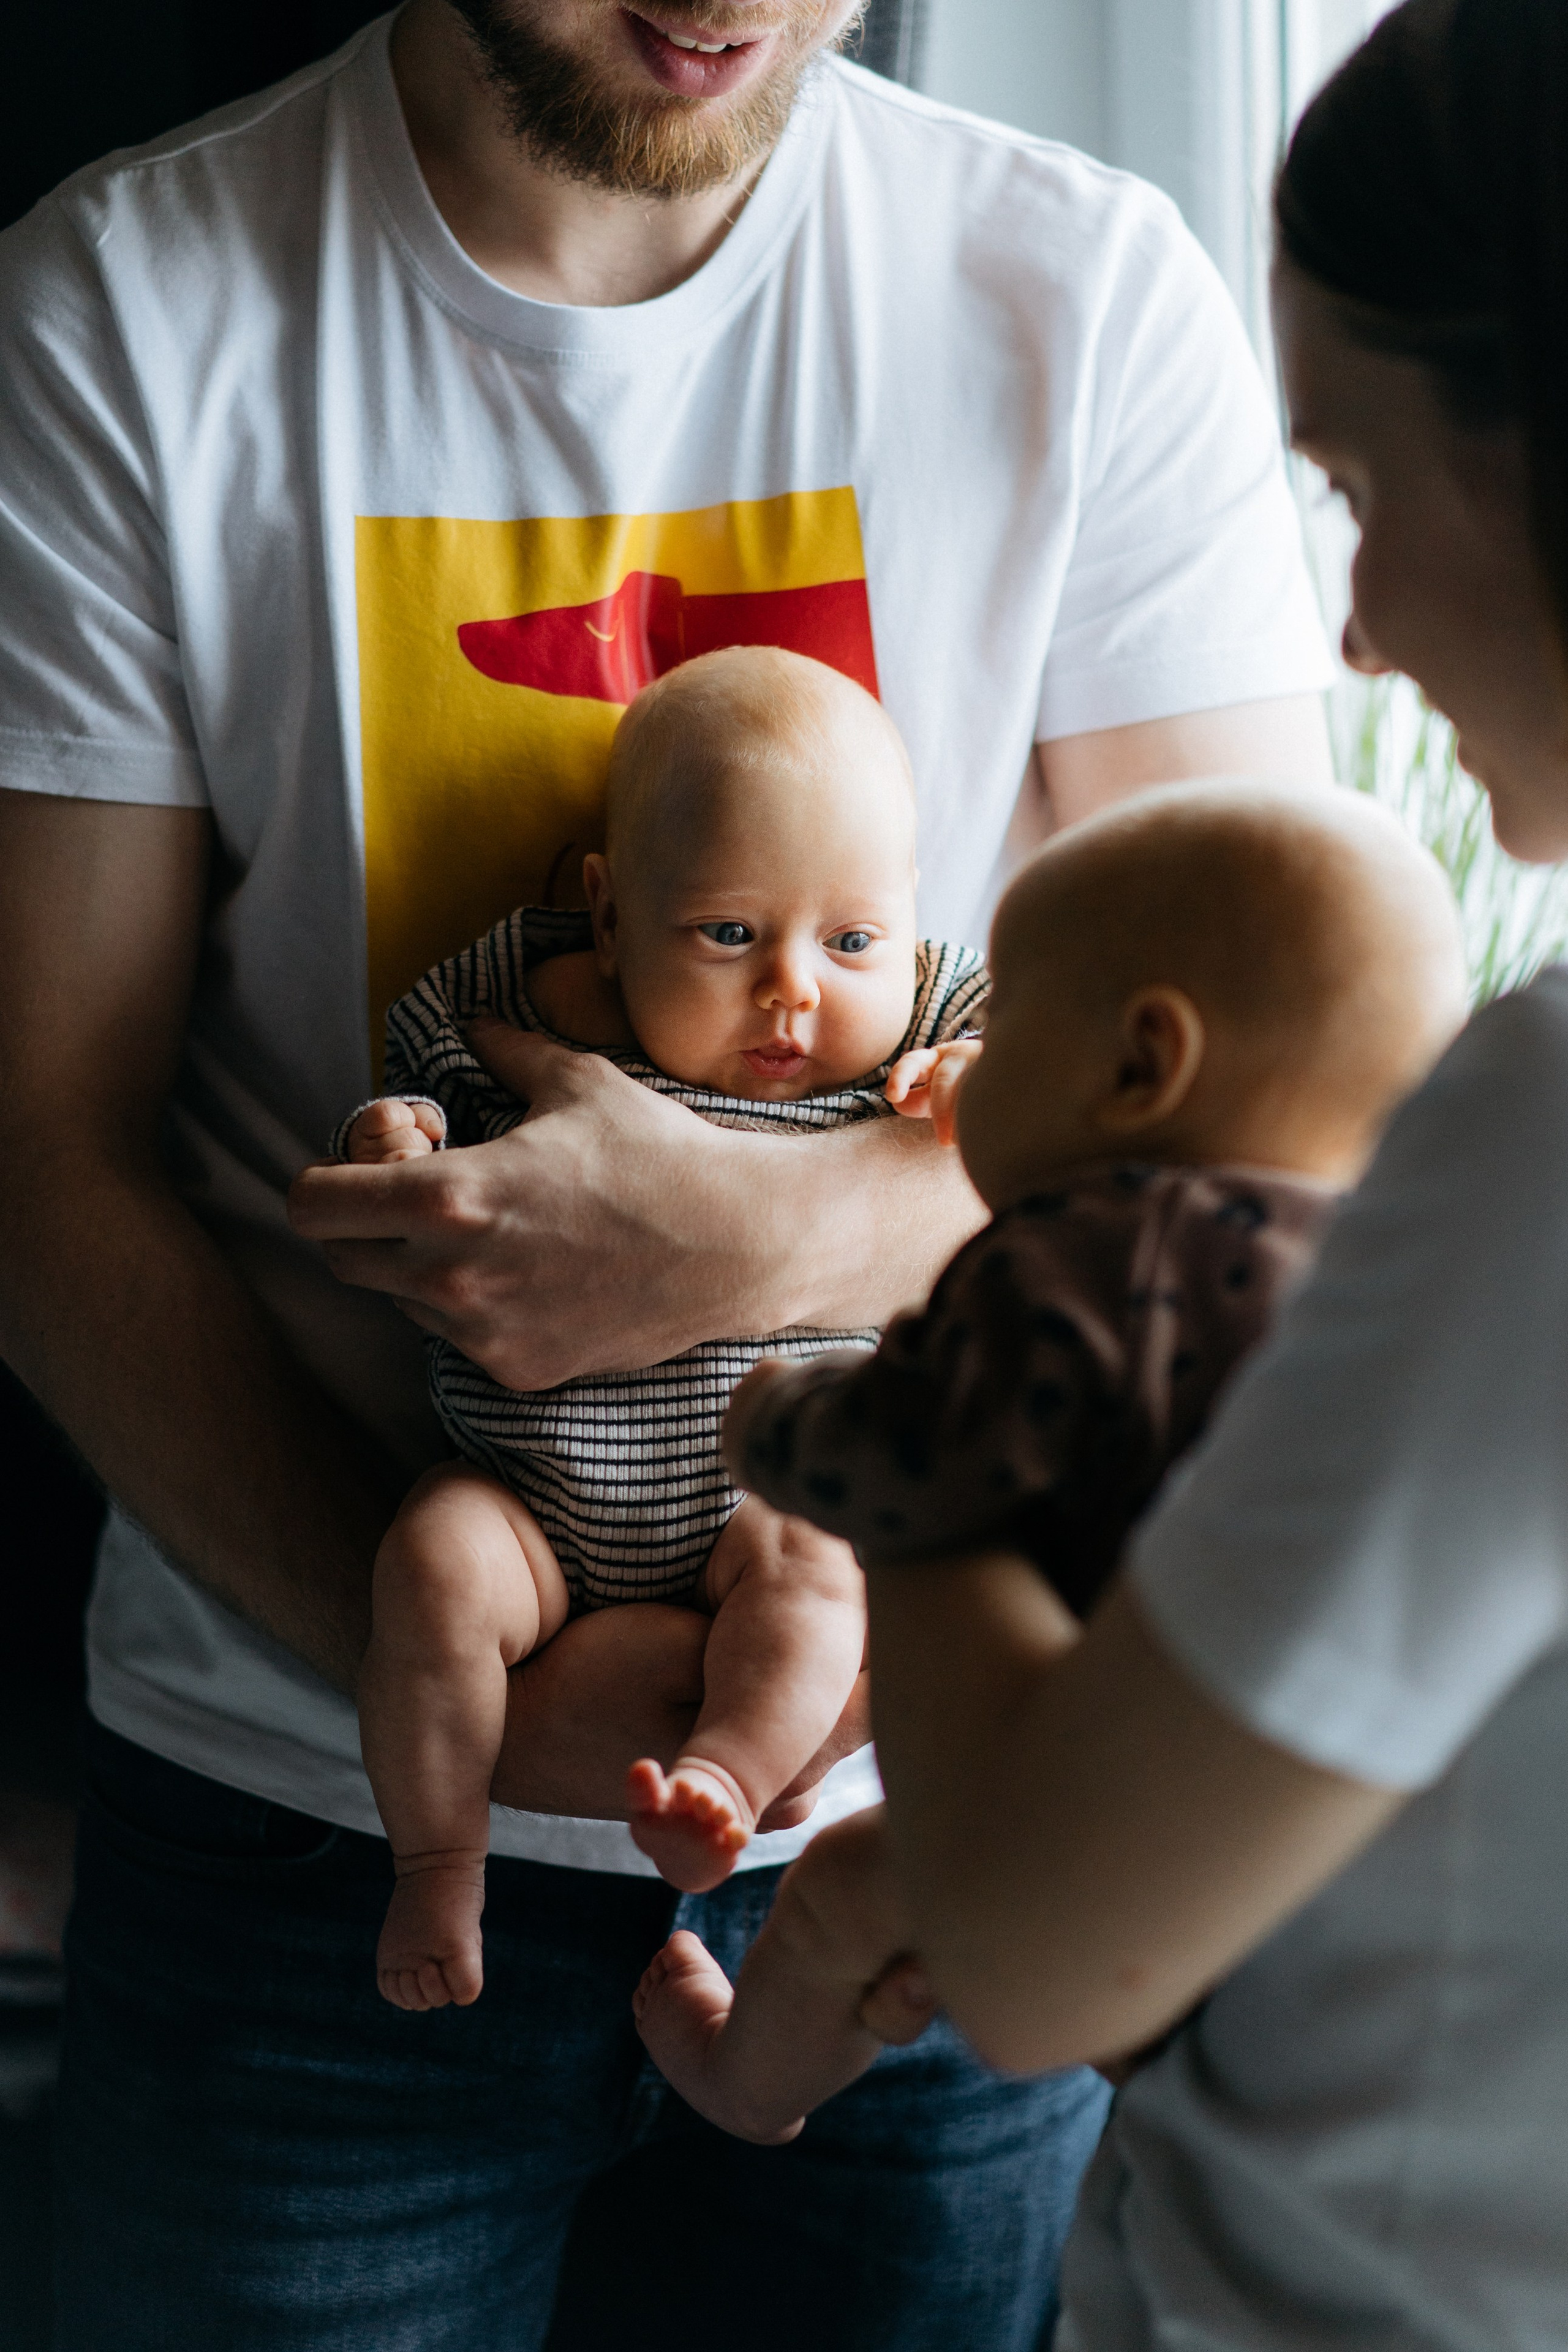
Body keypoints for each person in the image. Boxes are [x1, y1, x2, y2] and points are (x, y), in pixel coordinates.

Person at [0, 0, 1335, 2342]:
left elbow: (1265, 1111)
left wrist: (761, 1229)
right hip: (294, 1837)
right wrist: (484, 1711)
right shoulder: (130, 309)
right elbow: (38, 1155)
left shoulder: (1087, 297)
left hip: (928, 1827)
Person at [824, 3, 1568, 2345]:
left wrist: (919, 1425)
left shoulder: (1541, 1135)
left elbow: (1041, 1946)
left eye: (1352, 484)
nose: (1341, 626)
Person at [627, 778, 1466, 2143]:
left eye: (999, 1017)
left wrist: (778, 1424)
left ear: (1140, 1065)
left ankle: (742, 2081)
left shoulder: (1078, 1259)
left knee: (849, 1894)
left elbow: (921, 1452)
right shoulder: (1380, 1283)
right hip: (1296, 1865)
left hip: (1075, 1818)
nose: (964, 1054)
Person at [344, 647, 988, 2003]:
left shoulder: (924, 1028)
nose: (793, 991)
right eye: (726, 934)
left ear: (911, 920)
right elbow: (420, 1108)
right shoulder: (523, 998)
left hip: (769, 1480)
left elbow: (1070, 1114)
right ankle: (437, 1870)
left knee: (817, 1564)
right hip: (529, 1498)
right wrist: (393, 1131)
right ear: (607, 906)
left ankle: (726, 1777)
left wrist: (974, 1085)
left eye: (851, 939)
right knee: (431, 1567)